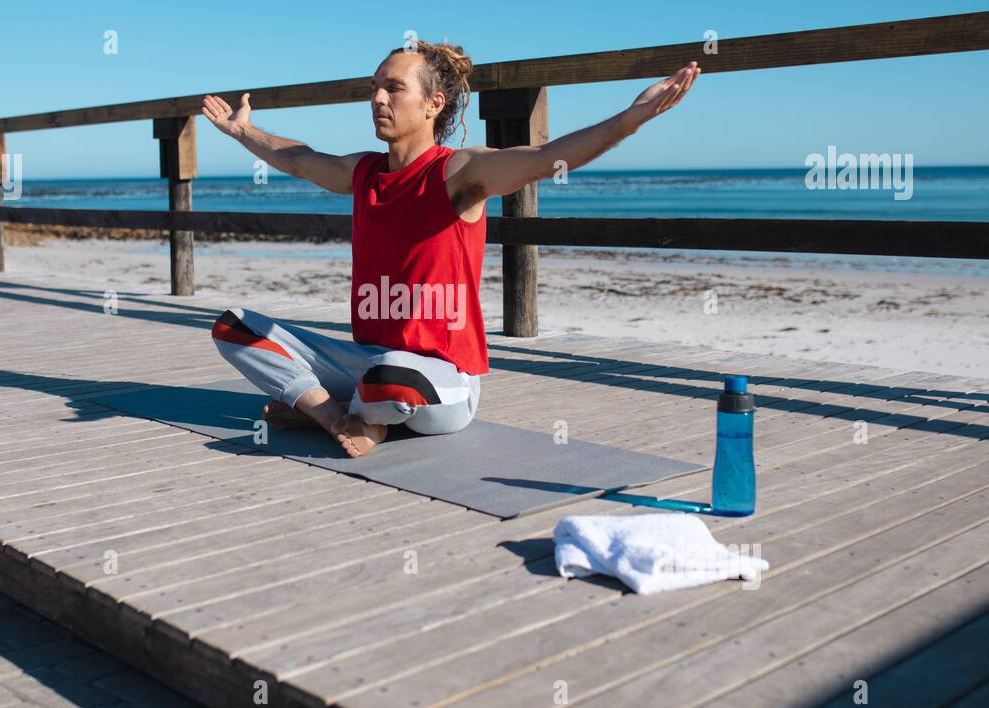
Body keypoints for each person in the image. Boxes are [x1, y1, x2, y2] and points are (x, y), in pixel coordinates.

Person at [202, 41, 699, 457]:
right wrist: (243, 130)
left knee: (388, 377)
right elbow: (298, 159)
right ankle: (332, 415)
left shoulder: (459, 173)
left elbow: (547, 159)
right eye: (374, 87)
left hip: (440, 380)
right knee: (233, 326)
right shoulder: (363, 174)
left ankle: (336, 408)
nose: (378, 98)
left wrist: (633, 118)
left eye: (393, 88)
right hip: (365, 362)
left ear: (433, 104)